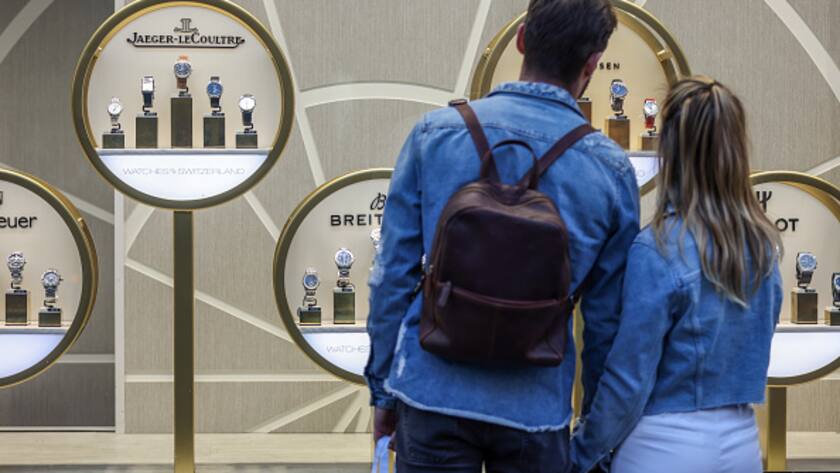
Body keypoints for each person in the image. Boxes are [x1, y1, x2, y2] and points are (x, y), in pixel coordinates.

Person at [364, 1, 640, 471]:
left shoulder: (435, 134)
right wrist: (592, 435)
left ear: (521, 39)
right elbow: (606, 323)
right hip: (536, 410)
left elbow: (391, 275)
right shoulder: (608, 169)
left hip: (431, 394)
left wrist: (383, 390)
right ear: (593, 63)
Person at [570, 76, 784, 473]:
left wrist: (581, 453)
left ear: (670, 149)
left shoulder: (658, 248)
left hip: (662, 446)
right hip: (742, 443)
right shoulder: (764, 250)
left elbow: (627, 382)